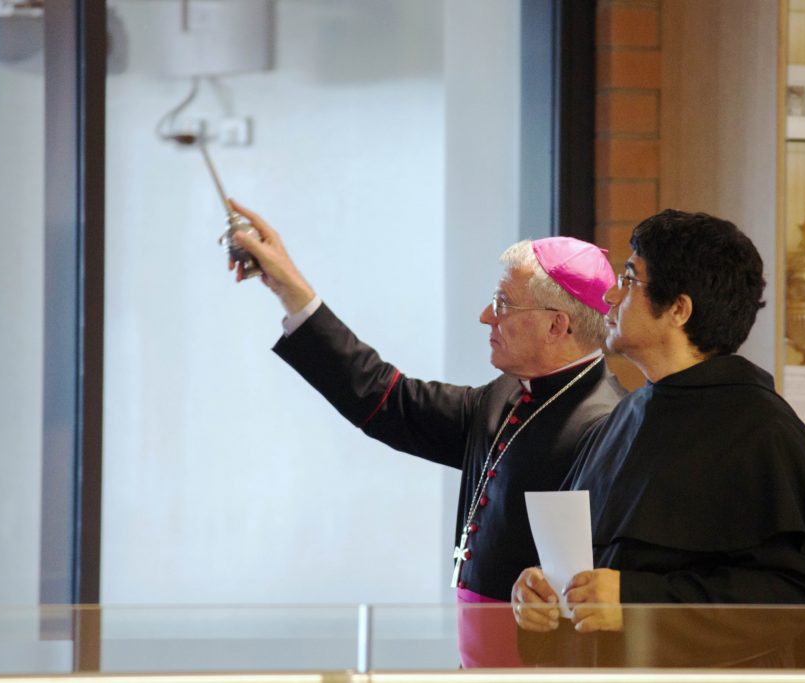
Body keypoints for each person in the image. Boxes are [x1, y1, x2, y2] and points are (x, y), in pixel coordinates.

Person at [226, 201, 625, 667]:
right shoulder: (506, 396)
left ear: (558, 324)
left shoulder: (610, 424)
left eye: (502, 305)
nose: (484, 317)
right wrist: (289, 289)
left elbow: (609, 585)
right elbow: (387, 400)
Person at [511, 209, 805, 666]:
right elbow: (579, 568)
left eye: (630, 278)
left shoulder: (764, 431)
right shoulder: (623, 417)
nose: (611, 293)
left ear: (678, 309)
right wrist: (540, 597)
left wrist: (635, 601)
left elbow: (791, 598)